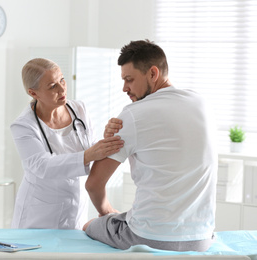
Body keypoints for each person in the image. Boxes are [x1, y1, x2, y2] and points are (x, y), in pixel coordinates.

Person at [83, 40, 218, 252]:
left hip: (149, 237)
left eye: (129, 79)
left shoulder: (132, 114)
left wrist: (106, 210)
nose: (124, 88)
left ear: (153, 73)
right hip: (202, 238)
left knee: (89, 225)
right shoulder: (202, 104)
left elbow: (93, 184)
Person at [10, 58, 124, 230]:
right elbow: (42, 166)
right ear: (33, 93)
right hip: (39, 215)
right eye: (52, 86)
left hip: (75, 208)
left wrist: (108, 137)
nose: (62, 88)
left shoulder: (79, 110)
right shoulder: (23, 126)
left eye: (62, 80)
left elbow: (92, 148)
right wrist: (88, 155)